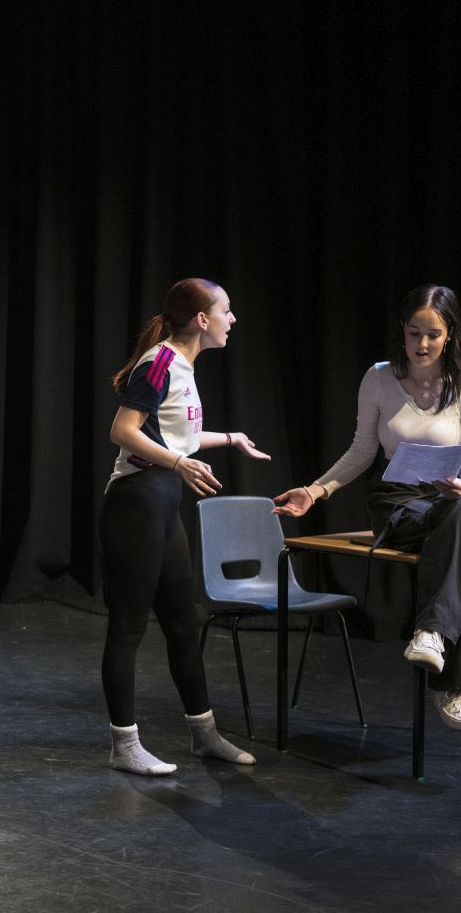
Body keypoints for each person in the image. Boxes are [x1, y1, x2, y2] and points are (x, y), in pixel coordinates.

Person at [273, 284, 461, 731]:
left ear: (450, 334)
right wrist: (316, 491)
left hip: (455, 499)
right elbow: (360, 452)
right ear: (403, 332)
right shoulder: (379, 378)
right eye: (414, 333)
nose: (423, 344)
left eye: (433, 334)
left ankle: (432, 635)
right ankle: (454, 687)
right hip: (401, 502)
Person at [100, 278, 267, 776]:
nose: (231, 320)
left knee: (183, 622)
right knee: (128, 626)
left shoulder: (183, 367)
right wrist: (177, 463)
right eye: (226, 311)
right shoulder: (161, 362)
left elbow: (181, 435)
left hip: (161, 500)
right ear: (202, 319)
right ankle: (124, 745)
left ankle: (204, 734)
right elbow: (123, 430)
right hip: (135, 502)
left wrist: (232, 437)